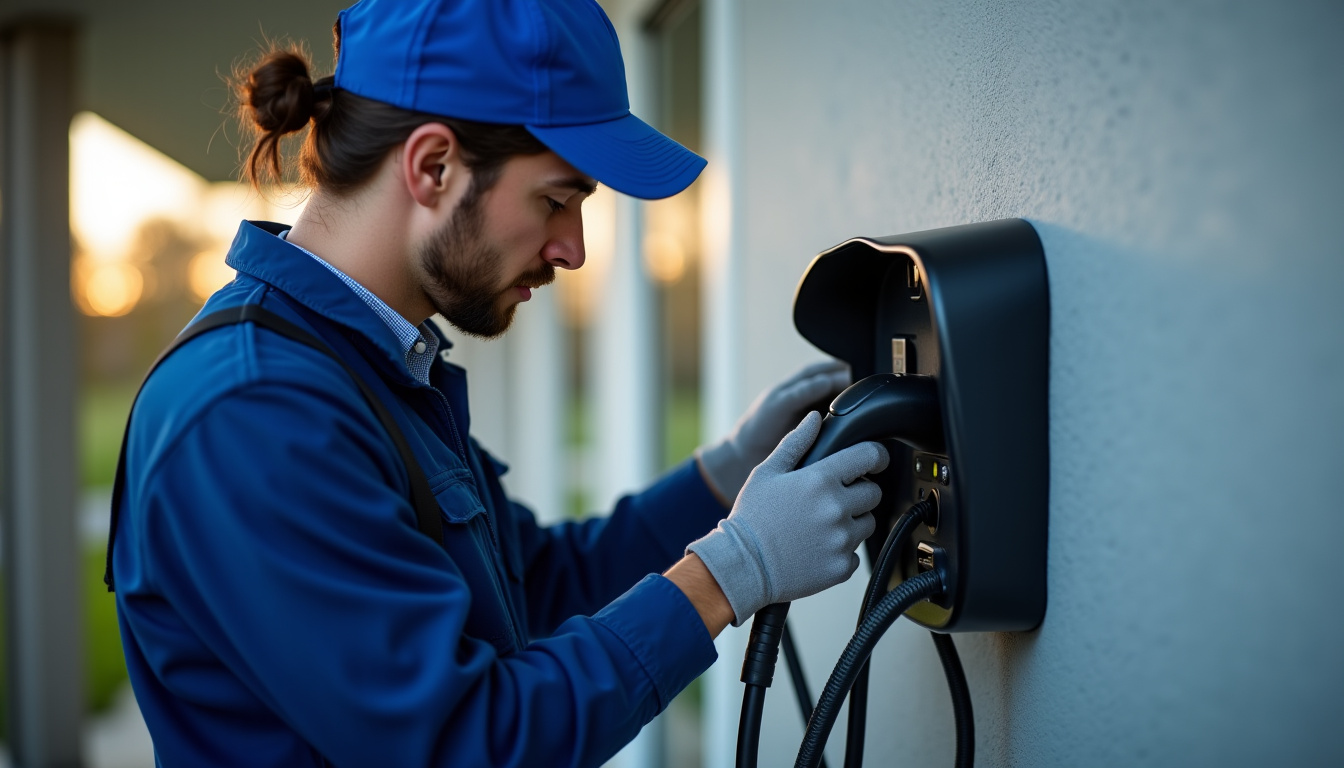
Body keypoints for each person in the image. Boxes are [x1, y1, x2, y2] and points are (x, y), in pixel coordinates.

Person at [108, 1, 889, 765]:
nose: (574, 249)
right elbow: (464, 741)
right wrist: (732, 572)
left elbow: (540, 585)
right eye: (557, 200)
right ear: (432, 166)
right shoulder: (255, 414)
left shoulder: (366, 370)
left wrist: (724, 477)